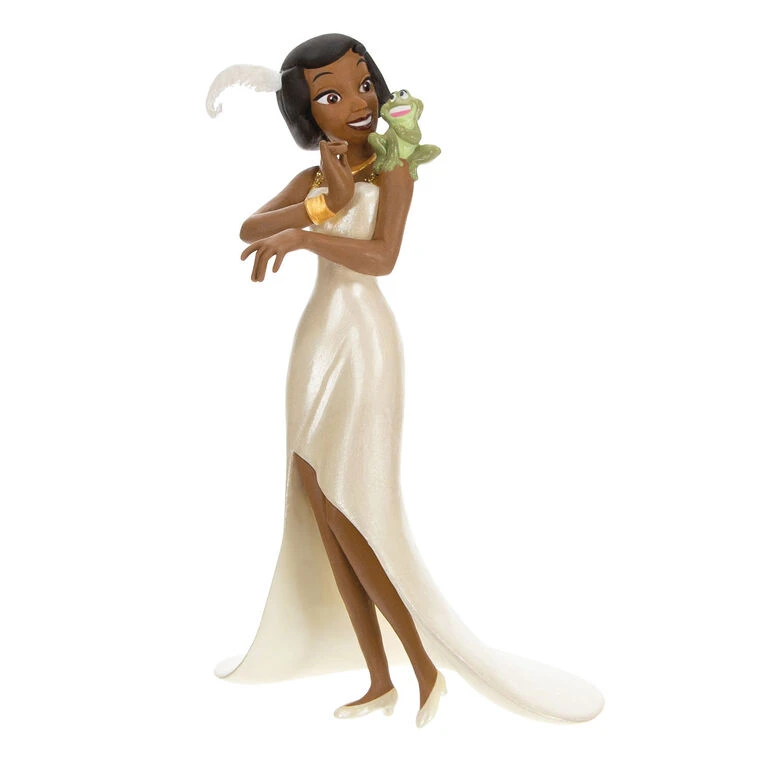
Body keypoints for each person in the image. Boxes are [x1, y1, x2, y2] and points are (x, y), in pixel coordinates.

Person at [206, 33, 604, 728]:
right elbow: (248, 225)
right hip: (316, 340)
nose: (357, 103)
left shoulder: (394, 168)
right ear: (306, 112)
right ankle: (380, 678)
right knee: (319, 511)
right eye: (332, 95)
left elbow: (381, 257)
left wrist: (305, 234)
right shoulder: (318, 179)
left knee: (354, 509)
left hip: (364, 340)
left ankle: (425, 667)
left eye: (363, 84)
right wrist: (322, 201)